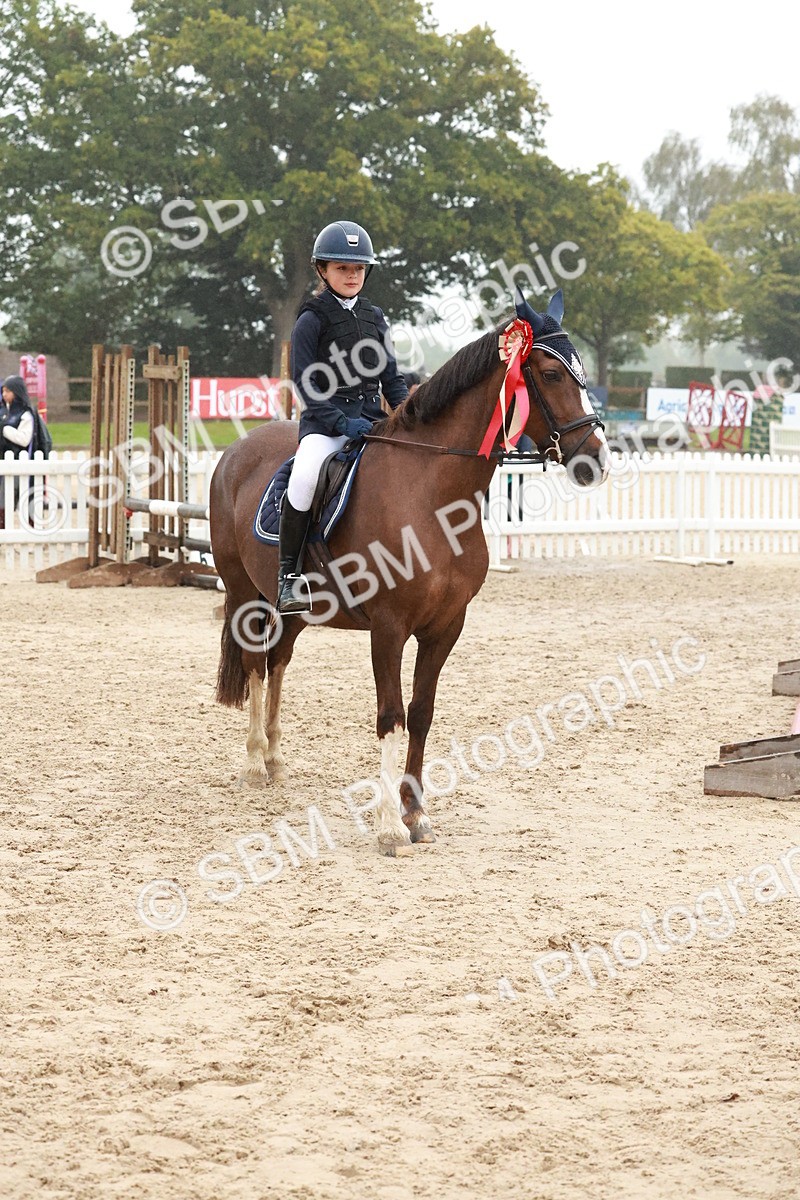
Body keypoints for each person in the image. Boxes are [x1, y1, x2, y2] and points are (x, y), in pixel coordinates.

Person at [277, 220, 409, 614]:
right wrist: (339, 423)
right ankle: (288, 578)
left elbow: (391, 377)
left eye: (358, 269)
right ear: (323, 270)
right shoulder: (311, 319)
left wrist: (405, 414)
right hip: (327, 426)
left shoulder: (374, 316)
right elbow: (306, 384)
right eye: (342, 268)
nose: (352, 276)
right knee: (303, 479)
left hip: (372, 422)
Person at [0, 375, 36, 528]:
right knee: (3, 497)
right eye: (3, 391)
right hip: (5, 462)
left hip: (20, 464)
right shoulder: (4, 414)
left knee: (22, 496)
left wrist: (5, 430)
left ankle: (31, 525)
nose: (4, 395)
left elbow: (24, 439)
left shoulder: (25, 415)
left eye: (7, 391)